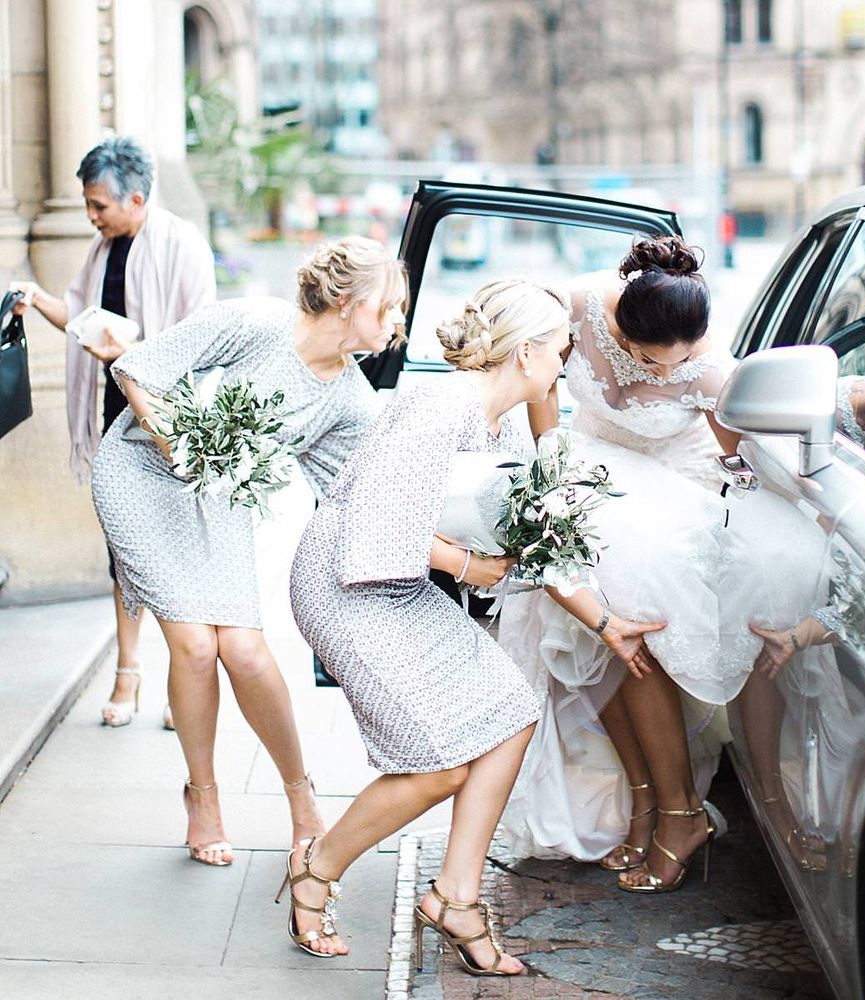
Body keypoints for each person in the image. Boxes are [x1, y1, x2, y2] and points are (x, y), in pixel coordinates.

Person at [285, 279, 612, 973]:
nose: (566, 364)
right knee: (437, 765)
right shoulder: (442, 406)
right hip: (348, 583)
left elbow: (530, 496)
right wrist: (472, 566)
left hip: (396, 582)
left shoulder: (497, 417)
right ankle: (317, 868)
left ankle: (456, 898)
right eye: (560, 351)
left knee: (510, 711)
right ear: (525, 354)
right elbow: (378, 519)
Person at [90, 236, 407, 866]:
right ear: (346, 302)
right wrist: (177, 442)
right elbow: (134, 369)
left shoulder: (349, 399)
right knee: (195, 644)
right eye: (390, 307)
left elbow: (368, 495)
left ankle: (302, 797)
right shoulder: (252, 322)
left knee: (245, 649)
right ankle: (203, 796)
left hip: (215, 498)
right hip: (138, 472)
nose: (397, 323)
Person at [499, 235, 752, 893]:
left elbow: (733, 462)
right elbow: (543, 391)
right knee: (588, 614)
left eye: (681, 363)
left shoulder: (710, 370)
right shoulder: (577, 305)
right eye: (648, 362)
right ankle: (647, 802)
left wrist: (760, 516)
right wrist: (549, 468)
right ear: (622, 326)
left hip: (676, 483)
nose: (666, 376)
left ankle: (679, 811)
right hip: (590, 465)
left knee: (626, 612)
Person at [9, 136, 216, 729]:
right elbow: (82, 318)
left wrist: (131, 350)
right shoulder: (103, 251)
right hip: (113, 418)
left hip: (167, 424)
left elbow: (201, 342)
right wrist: (38, 299)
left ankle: (184, 685)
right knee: (121, 549)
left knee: (173, 555)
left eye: (99, 205)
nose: (91, 216)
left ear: (135, 196)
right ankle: (128, 672)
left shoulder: (183, 247)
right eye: (87, 205)